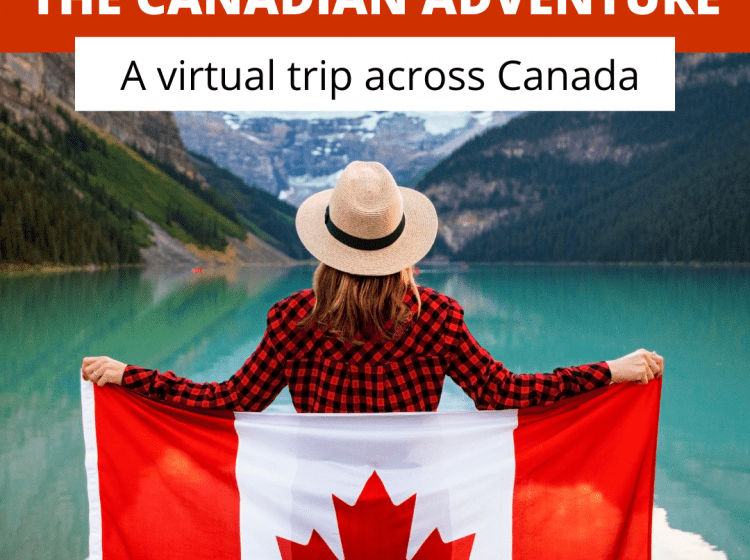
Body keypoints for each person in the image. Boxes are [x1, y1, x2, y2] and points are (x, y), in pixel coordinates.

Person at [81, 161, 663, 410]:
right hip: (417, 511)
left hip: (318, 515)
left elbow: (228, 402)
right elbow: (505, 393)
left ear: (327, 244)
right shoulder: (438, 317)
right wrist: (611, 371)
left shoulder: (292, 320)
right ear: (402, 245)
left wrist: (132, 377)